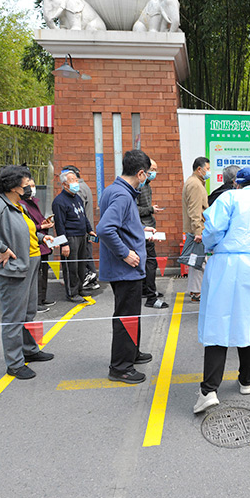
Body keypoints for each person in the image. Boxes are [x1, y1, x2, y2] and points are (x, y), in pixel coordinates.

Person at [193, 167, 250, 413]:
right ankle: (246, 379)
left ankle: (209, 390)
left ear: (236, 184)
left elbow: (212, 230)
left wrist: (211, 246)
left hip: (228, 266)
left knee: (219, 324)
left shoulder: (229, 197)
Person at [0, 166, 55, 379]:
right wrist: (1, 247)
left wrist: (43, 237)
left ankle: (29, 350)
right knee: (14, 317)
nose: (30, 187)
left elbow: (27, 229)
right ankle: (15, 363)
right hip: (14, 269)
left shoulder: (18, 205)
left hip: (30, 263)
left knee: (27, 312)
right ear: (15, 187)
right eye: (27, 184)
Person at [97, 149, 155, 384]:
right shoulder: (122, 195)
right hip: (125, 269)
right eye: (149, 173)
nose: (149, 177)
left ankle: (131, 353)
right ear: (140, 173)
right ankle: (121, 367)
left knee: (130, 315)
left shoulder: (115, 189)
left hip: (125, 268)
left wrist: (140, 231)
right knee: (126, 316)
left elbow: (120, 226)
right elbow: (105, 229)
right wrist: (126, 254)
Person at [52, 169, 96, 302]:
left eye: (76, 180)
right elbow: (59, 224)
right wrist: (64, 243)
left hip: (82, 235)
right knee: (71, 266)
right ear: (64, 184)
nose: (76, 183)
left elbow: (83, 216)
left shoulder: (77, 197)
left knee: (82, 265)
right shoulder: (59, 201)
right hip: (70, 237)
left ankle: (80, 288)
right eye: (72, 181)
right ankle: (72, 292)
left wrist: (89, 230)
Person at [19, 178, 56, 313]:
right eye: (28, 186)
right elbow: (25, 227)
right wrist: (41, 226)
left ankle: (42, 297)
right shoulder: (20, 205)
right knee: (36, 275)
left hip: (42, 241)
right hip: (34, 244)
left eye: (33, 185)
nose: (32, 188)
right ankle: (36, 302)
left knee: (43, 272)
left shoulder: (33, 202)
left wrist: (44, 224)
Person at [137, 159, 168, 309]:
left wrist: (150, 208)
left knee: (148, 262)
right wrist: (150, 209)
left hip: (148, 227)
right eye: (152, 170)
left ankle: (147, 289)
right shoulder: (138, 186)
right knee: (150, 262)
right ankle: (150, 294)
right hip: (143, 229)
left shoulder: (147, 185)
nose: (154, 173)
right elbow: (133, 210)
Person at [63, 165, 99, 291]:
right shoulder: (86, 187)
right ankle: (91, 280)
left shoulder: (78, 191)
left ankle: (88, 278)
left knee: (83, 258)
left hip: (81, 231)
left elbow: (78, 214)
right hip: (86, 228)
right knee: (86, 255)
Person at [182, 156, 210, 302]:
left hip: (195, 228)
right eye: (207, 169)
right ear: (199, 169)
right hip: (197, 229)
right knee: (199, 261)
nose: (209, 172)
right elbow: (195, 210)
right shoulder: (195, 185)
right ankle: (197, 292)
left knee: (196, 261)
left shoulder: (195, 182)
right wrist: (198, 231)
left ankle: (195, 290)